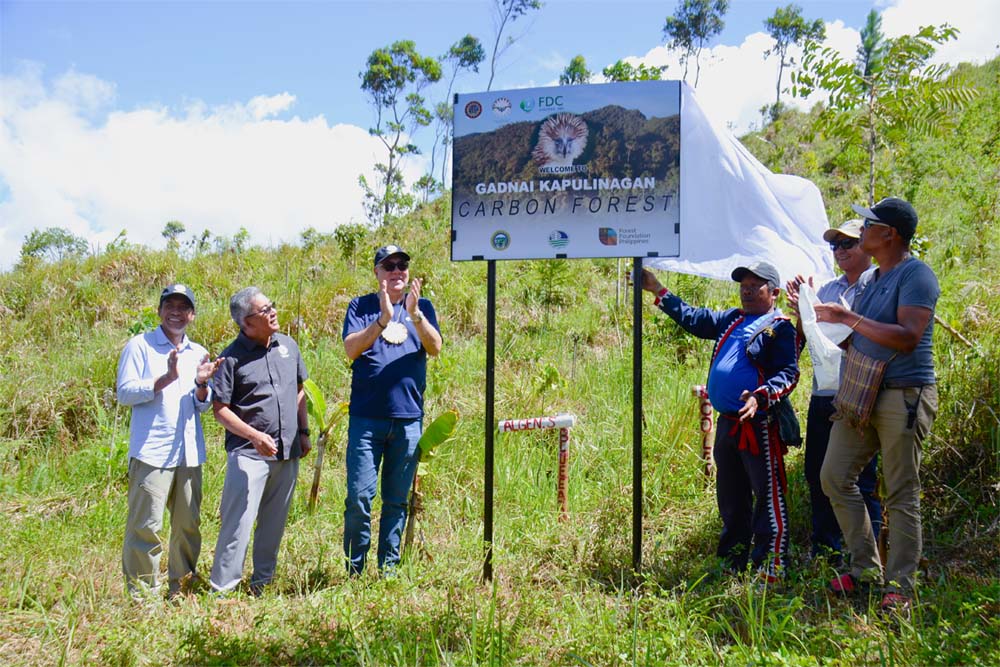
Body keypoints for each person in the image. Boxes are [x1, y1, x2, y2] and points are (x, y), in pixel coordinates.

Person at [815, 197, 939, 613]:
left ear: (890, 234)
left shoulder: (916, 274)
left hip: (904, 393)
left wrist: (847, 320)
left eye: (870, 224)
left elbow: (907, 336)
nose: (861, 230)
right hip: (863, 393)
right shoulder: (870, 281)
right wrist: (826, 325)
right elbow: (863, 336)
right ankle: (867, 569)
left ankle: (900, 586)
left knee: (901, 490)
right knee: (834, 475)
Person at [641, 261, 799, 582]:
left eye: (757, 285)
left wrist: (761, 395)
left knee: (767, 496)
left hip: (759, 424)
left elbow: (789, 373)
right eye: (744, 285)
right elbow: (695, 319)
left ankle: (772, 564)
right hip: (728, 421)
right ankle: (732, 560)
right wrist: (657, 289)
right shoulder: (732, 318)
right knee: (731, 495)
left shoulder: (780, 326)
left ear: (774, 292)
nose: (748, 290)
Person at [117, 283, 222, 598]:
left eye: (183, 307)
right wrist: (165, 379)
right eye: (170, 306)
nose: (176, 313)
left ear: (192, 314)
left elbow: (202, 404)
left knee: (188, 526)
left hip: (189, 453)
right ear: (160, 310)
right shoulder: (140, 346)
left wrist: (202, 384)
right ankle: (143, 596)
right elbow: (125, 393)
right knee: (146, 527)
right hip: (152, 452)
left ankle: (182, 588)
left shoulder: (199, 352)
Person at [342, 245, 442, 575]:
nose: (397, 271)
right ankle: (354, 572)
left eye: (402, 265)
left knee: (396, 502)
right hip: (366, 420)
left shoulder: (422, 306)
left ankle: (389, 571)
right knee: (359, 498)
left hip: (408, 421)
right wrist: (383, 319)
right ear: (377, 272)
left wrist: (414, 313)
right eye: (389, 265)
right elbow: (351, 349)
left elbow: (435, 347)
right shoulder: (361, 306)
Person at [786, 220, 881, 563]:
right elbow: (809, 337)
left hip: (862, 393)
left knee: (860, 478)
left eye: (848, 244)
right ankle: (826, 548)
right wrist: (802, 310)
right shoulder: (825, 290)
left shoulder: (878, 288)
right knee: (818, 474)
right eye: (835, 245)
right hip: (824, 393)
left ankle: (867, 556)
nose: (840, 250)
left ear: (866, 246)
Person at [209, 287, 310, 595]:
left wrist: (303, 433)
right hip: (248, 455)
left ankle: (261, 585)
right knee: (237, 524)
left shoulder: (288, 346)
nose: (273, 312)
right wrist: (254, 436)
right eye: (264, 310)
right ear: (246, 323)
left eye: (272, 305)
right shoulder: (230, 358)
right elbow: (220, 410)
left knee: (274, 523)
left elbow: (299, 390)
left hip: (287, 452)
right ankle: (223, 590)